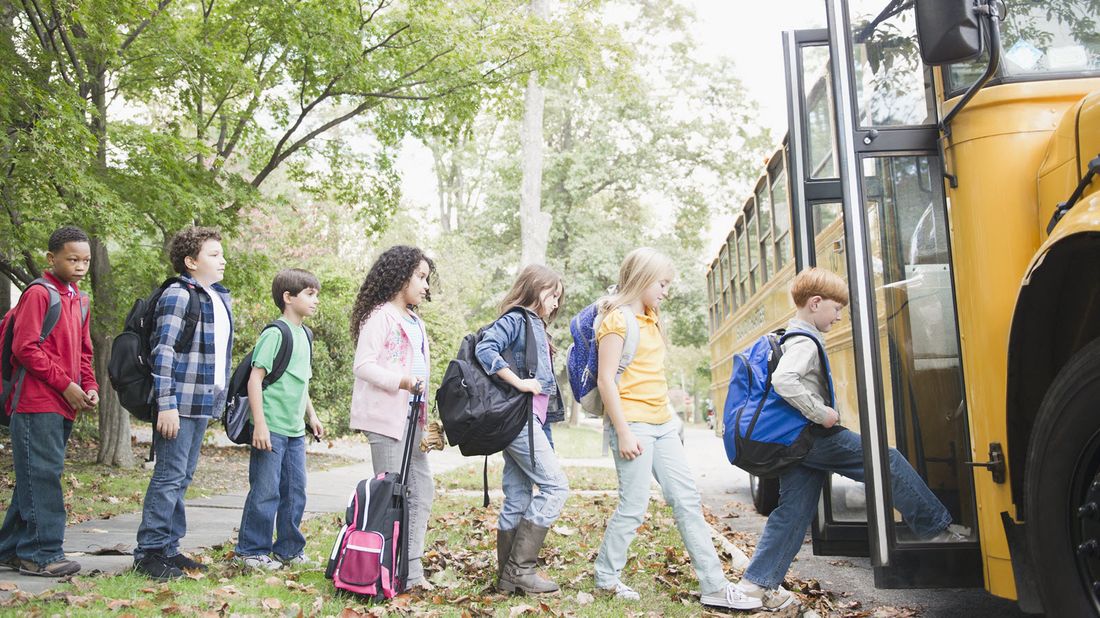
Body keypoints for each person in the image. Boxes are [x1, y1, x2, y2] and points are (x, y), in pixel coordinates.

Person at [734, 267, 970, 611]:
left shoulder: (792, 335)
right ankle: (935, 528)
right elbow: (786, 380)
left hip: (795, 444)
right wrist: (821, 412)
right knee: (883, 459)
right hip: (812, 436)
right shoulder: (803, 341)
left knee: (794, 513)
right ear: (815, 303)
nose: (839, 316)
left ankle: (756, 585)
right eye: (836, 308)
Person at [593, 248, 759, 610]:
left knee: (687, 501)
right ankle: (606, 577)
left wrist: (672, 405)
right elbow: (606, 380)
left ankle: (713, 585)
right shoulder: (617, 321)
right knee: (633, 506)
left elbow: (649, 373)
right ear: (642, 279)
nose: (666, 291)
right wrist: (622, 431)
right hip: (632, 424)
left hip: (663, 424)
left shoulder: (653, 318)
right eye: (662, 283)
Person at [134, 226, 233, 581]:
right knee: (168, 476)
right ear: (191, 262)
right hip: (179, 402)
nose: (222, 260)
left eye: (221, 254)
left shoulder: (217, 297)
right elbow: (164, 351)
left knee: (182, 477)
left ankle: (169, 549)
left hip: (202, 403)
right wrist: (167, 403)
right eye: (213, 255)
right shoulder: (179, 294)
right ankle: (148, 552)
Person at [0, 226, 97, 577]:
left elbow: (85, 352)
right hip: (34, 402)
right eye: (72, 259)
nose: (80, 266)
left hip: (65, 403)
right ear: (51, 258)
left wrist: (88, 385)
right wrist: (66, 384)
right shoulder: (39, 294)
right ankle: (41, 554)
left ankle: (9, 550)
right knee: (42, 477)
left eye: (85, 260)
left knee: (33, 477)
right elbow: (25, 348)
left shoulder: (80, 300)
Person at [475, 264, 571, 594]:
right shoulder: (516, 319)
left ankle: (507, 579)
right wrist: (519, 382)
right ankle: (520, 570)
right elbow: (484, 348)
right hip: (521, 421)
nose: (556, 303)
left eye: (559, 297)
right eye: (552, 295)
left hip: (534, 423)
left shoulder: (535, 326)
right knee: (556, 487)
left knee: (517, 497)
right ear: (534, 288)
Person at [349, 245, 435, 590]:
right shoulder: (380, 316)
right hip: (385, 419)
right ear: (401, 276)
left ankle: (411, 570)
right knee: (391, 495)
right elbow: (363, 365)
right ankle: (381, 570)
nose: (426, 286)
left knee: (422, 489)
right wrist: (401, 381)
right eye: (421, 277)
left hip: (413, 417)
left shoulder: (416, 321)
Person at [235, 269, 325, 570]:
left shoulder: (306, 335)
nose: (316, 301)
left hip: (295, 430)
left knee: (295, 490)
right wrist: (259, 423)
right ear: (288, 297)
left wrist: (311, 416)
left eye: (316, 295)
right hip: (271, 426)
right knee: (266, 490)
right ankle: (251, 551)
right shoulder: (276, 333)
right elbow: (254, 380)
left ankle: (288, 549)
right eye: (310, 294)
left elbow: (301, 381)